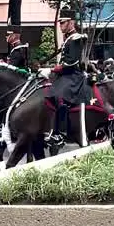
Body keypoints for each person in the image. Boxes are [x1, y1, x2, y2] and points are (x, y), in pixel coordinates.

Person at [47, 10, 89, 147]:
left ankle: (62, 133)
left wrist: (53, 69)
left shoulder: (76, 38)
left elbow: (71, 62)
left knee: (60, 96)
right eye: (60, 23)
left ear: (71, 22)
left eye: (63, 22)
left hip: (73, 75)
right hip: (65, 74)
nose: (60, 25)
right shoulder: (68, 39)